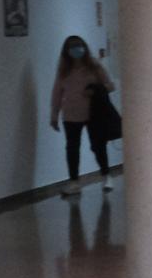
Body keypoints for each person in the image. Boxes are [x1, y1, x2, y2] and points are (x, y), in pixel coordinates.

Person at [49, 35, 114, 190]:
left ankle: (106, 175)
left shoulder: (94, 66)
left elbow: (110, 85)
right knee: (72, 148)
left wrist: (95, 91)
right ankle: (74, 181)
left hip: (93, 113)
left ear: (84, 47)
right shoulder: (64, 70)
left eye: (78, 46)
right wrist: (54, 114)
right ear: (67, 51)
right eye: (72, 47)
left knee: (98, 146)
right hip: (71, 114)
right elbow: (57, 92)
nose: (76, 50)